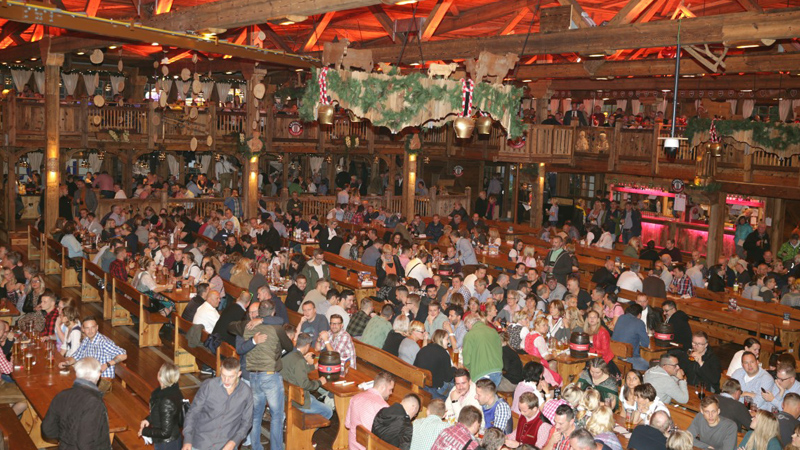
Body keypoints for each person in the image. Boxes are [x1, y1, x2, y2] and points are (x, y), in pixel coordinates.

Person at [242, 302, 295, 450]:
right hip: (270, 376)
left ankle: (256, 446)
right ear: (273, 312)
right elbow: (289, 346)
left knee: (256, 414)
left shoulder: (248, 327)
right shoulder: (276, 328)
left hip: (253, 375)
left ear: (259, 312)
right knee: (276, 416)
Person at [182, 358, 253, 450]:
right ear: (220, 370)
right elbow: (193, 413)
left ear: (239, 374)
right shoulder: (209, 386)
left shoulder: (246, 392)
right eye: (223, 375)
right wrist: (187, 439)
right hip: (201, 443)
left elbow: (246, 422)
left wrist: (233, 442)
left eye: (231, 377)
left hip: (226, 445)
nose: (226, 380)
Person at [41, 357, 111, 449]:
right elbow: (86, 443)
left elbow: (47, 430)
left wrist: (65, 440)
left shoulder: (62, 395)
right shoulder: (95, 403)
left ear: (77, 374)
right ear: (98, 375)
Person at [281, 332, 333, 421]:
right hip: (297, 401)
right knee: (328, 411)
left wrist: (312, 367)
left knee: (313, 398)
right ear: (307, 345)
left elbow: (295, 369)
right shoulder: (300, 361)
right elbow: (305, 385)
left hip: (285, 396)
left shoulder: (287, 352)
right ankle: (308, 428)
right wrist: (319, 382)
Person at [59, 316, 127, 378]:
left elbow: (123, 354)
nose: (90, 331)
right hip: (89, 378)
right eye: (87, 328)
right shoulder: (86, 340)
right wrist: (67, 363)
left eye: (93, 327)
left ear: (97, 327)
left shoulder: (104, 342)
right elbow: (76, 356)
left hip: (103, 380)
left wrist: (107, 364)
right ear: (83, 329)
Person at [139, 363, 184, 450]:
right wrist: (148, 419)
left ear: (159, 376)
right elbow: (161, 413)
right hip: (167, 441)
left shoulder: (166, 400)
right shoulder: (169, 391)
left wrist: (145, 431)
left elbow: (165, 432)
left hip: (167, 444)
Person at [346, 371, 396, 450]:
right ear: (382, 387)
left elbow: (347, 424)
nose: (391, 393)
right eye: (390, 389)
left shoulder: (355, 398)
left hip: (353, 446)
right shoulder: (383, 407)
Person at [462, 314, 503, 386]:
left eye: (466, 327)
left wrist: (472, 369)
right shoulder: (493, 331)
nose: (467, 329)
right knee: (491, 393)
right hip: (497, 370)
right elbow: (500, 351)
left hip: (481, 373)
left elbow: (466, 361)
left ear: (469, 323)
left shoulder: (470, 335)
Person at [415, 329, 455, 400]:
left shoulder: (423, 350)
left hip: (421, 386)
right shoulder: (443, 353)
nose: (448, 342)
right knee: (458, 387)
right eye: (447, 339)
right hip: (435, 390)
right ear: (440, 339)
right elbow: (448, 378)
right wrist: (454, 368)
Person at [611, 303, 650, 371]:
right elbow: (645, 344)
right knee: (650, 367)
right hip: (629, 359)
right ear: (639, 315)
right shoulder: (639, 323)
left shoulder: (621, 318)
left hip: (614, 357)